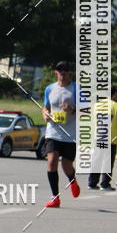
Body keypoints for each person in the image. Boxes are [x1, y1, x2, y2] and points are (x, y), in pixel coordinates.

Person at [41, 61, 80, 208]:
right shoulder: (49, 89)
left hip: (70, 134)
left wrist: (72, 109)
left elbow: (87, 111)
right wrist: (45, 114)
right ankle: (55, 197)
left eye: (65, 70)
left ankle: (72, 180)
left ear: (69, 73)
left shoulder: (77, 89)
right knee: (51, 161)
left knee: (66, 165)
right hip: (53, 132)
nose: (62, 73)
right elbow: (45, 107)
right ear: (55, 73)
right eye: (59, 71)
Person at [88, 87, 117, 191]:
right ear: (114, 94)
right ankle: (105, 184)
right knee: (108, 162)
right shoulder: (116, 106)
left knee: (96, 160)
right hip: (110, 138)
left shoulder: (96, 105)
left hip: (98, 137)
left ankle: (92, 183)